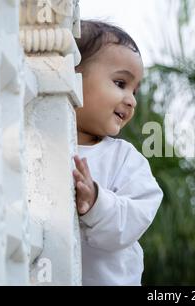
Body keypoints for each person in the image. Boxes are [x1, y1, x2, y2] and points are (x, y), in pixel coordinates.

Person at [72, 20, 163, 286]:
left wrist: (96, 202)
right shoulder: (40, 141)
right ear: (72, 76)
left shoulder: (126, 159)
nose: (132, 99)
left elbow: (134, 218)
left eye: (135, 90)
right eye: (120, 83)